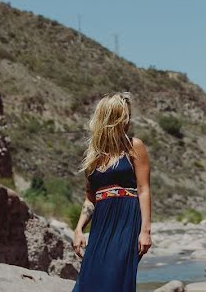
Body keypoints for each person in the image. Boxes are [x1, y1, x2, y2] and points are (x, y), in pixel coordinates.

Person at [71, 92, 152, 292]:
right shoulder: (93, 156)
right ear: (111, 119)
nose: (128, 121)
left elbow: (143, 189)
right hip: (100, 226)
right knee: (89, 280)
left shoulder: (134, 147)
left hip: (126, 222)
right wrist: (79, 229)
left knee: (114, 279)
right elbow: (90, 199)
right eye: (124, 116)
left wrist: (145, 231)